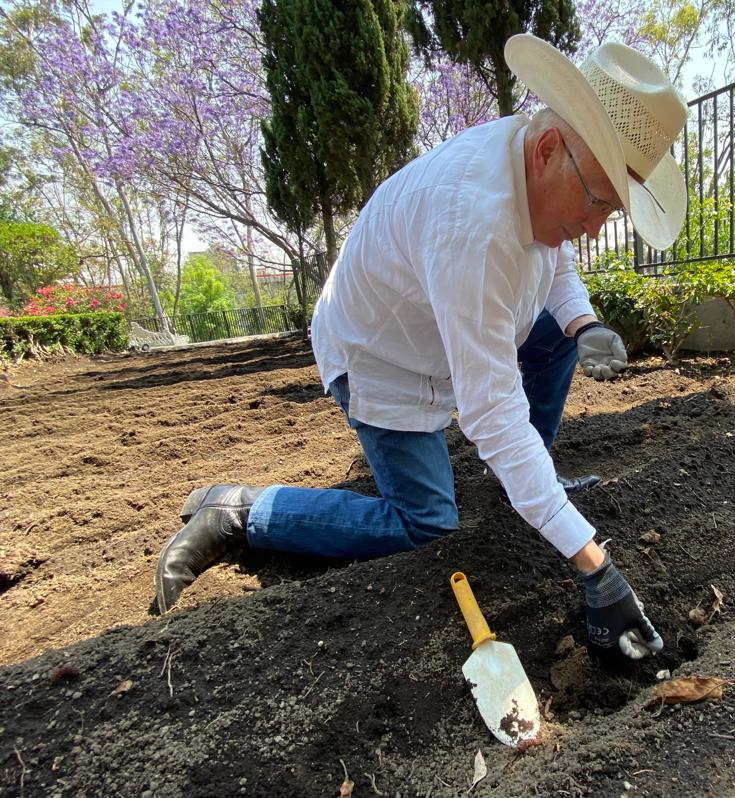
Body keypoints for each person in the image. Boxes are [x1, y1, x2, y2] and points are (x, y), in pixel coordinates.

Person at [155, 34, 688, 660]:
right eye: (600, 200)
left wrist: (581, 323)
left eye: (613, 210)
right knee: (425, 526)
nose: (598, 224)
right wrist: (596, 566)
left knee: (552, 341)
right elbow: (491, 412)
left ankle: (524, 485)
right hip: (382, 356)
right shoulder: (472, 223)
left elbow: (557, 247)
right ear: (550, 149)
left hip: (438, 326)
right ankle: (243, 511)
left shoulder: (532, 160)